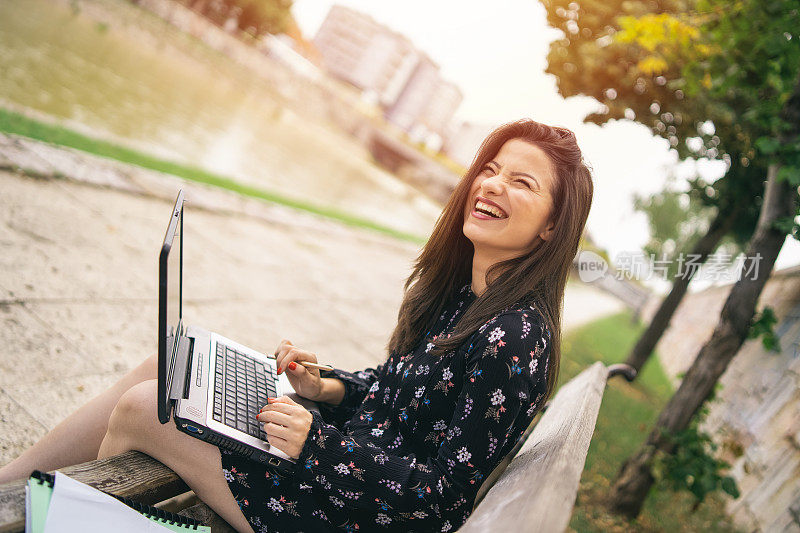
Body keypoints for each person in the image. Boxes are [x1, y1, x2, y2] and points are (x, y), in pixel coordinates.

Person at [0, 118, 593, 532]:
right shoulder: (468, 293)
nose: (491, 185)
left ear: (551, 228)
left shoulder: (515, 338)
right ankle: (9, 488)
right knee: (174, 362)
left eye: (522, 182)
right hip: (339, 464)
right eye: (490, 169)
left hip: (345, 511)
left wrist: (317, 444)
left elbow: (439, 501)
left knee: (143, 409)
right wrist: (322, 386)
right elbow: (398, 391)